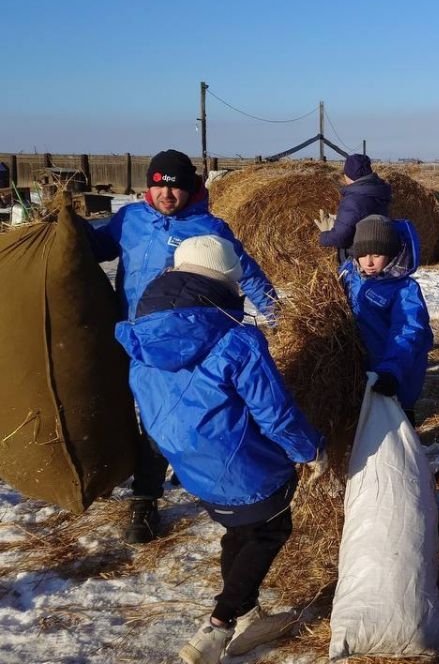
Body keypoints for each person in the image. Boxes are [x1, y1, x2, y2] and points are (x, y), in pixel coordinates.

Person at [115, 235, 325, 664]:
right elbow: (275, 411)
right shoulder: (237, 340)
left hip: (189, 461)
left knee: (238, 531)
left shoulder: (142, 337)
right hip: (245, 463)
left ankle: (247, 613)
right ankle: (220, 624)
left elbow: (146, 399)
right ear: (227, 284)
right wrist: (310, 451)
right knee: (270, 530)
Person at [89, 149, 279, 544]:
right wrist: (61, 229)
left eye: (175, 187)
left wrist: (282, 318)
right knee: (130, 410)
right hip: (133, 334)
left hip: (188, 343)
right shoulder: (130, 220)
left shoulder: (210, 229)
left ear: (191, 189)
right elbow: (96, 248)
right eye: (159, 185)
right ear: (149, 187)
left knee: (163, 418)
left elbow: (248, 275)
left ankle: (145, 497)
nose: (167, 195)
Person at [339, 215, 433, 426]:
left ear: (391, 253)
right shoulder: (350, 276)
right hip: (362, 370)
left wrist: (391, 371)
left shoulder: (404, 290)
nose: (369, 262)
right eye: (362, 254)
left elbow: (408, 331)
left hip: (393, 372)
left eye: (377, 254)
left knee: (397, 426)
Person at [316, 154, 392, 261]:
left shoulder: (353, 199)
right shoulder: (379, 192)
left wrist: (324, 236)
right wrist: (341, 220)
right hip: (378, 255)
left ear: (348, 175)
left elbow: (341, 237)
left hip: (358, 257)